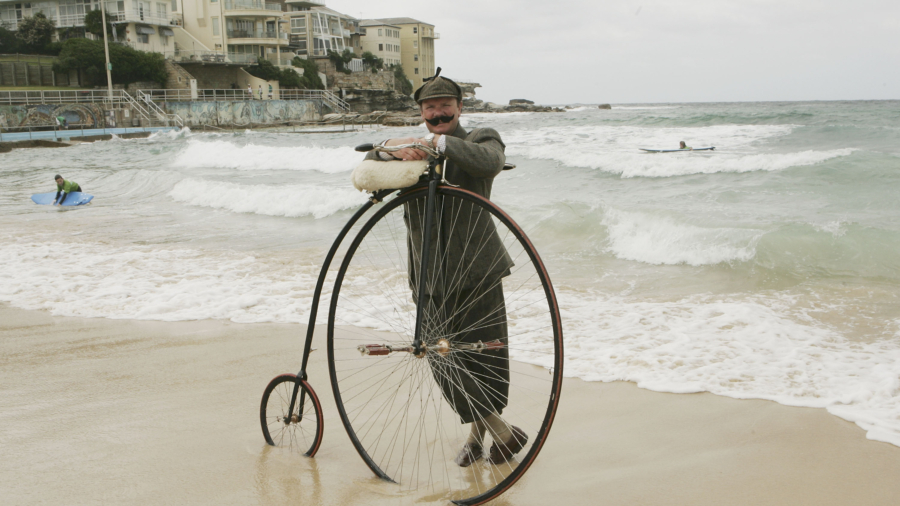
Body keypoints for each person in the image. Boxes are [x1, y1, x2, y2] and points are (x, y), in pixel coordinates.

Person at [362, 68, 525, 468]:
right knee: (439, 356)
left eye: (444, 108)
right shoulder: (411, 148)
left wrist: (439, 143)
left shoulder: (478, 138)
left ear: (459, 107)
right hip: (430, 276)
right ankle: (502, 432)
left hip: (477, 269)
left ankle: (478, 436)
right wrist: (394, 151)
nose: (437, 114)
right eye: (430, 109)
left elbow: (490, 162)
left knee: (483, 356)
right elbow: (369, 170)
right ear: (421, 111)